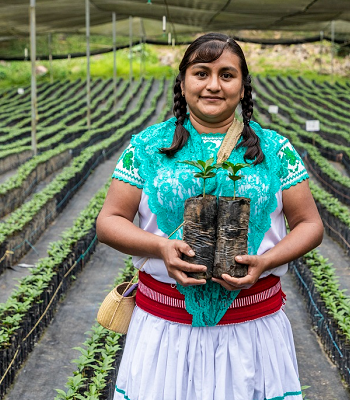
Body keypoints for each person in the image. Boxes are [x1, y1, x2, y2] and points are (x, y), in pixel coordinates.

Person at [96, 32, 324, 400]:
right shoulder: (147, 148)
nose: (213, 85)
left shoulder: (275, 150)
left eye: (227, 74)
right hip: (166, 331)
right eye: (201, 73)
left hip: (253, 330)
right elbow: (108, 221)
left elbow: (310, 224)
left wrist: (265, 259)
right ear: (183, 83)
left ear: (243, 86)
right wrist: (161, 247)